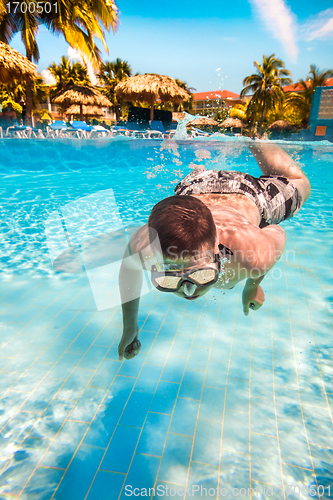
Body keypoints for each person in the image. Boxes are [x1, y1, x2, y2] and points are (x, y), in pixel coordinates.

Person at [117, 142, 311, 360]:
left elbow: (277, 232)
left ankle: (255, 139)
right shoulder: (146, 247)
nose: (189, 292)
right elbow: (128, 268)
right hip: (193, 189)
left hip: (248, 194)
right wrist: (129, 327)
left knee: (301, 184)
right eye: (168, 278)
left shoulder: (252, 255)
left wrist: (252, 285)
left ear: (217, 243)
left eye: (201, 273)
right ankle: (208, 168)